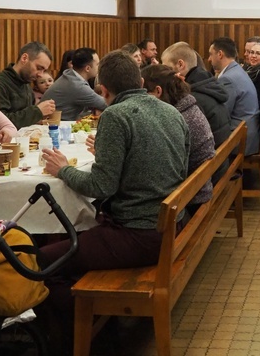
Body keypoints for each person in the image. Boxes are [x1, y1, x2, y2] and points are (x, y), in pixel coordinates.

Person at [40, 50, 189, 328]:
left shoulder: (115, 115)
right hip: (172, 225)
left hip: (139, 234)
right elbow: (177, 165)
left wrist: (62, 169)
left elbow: (100, 185)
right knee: (67, 244)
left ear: (104, 90)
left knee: (40, 262)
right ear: (141, 84)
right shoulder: (171, 111)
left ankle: (83, 329)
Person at [142, 64, 215, 208]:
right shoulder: (186, 107)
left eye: (144, 94)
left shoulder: (177, 119)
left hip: (189, 200)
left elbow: (160, 169)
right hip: (197, 189)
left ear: (158, 91)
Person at [159, 42, 231, 148]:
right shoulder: (206, 83)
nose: (164, 72)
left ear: (180, 64)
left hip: (209, 161)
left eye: (166, 67)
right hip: (220, 156)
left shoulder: (192, 99)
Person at [209, 37, 260, 155]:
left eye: (211, 54)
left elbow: (222, 115)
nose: (209, 59)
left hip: (240, 140)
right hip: (247, 133)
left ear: (220, 54)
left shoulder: (228, 78)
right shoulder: (237, 70)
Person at [0, 41, 56, 129]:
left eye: (44, 70)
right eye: (39, 68)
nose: (40, 74)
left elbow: (26, 119)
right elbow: (0, 123)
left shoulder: (27, 86)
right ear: (24, 58)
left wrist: (40, 117)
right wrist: (37, 112)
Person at [41, 47, 107, 120]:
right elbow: (106, 104)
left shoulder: (70, 75)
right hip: (54, 126)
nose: (99, 67)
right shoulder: (76, 85)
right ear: (87, 68)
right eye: (97, 64)